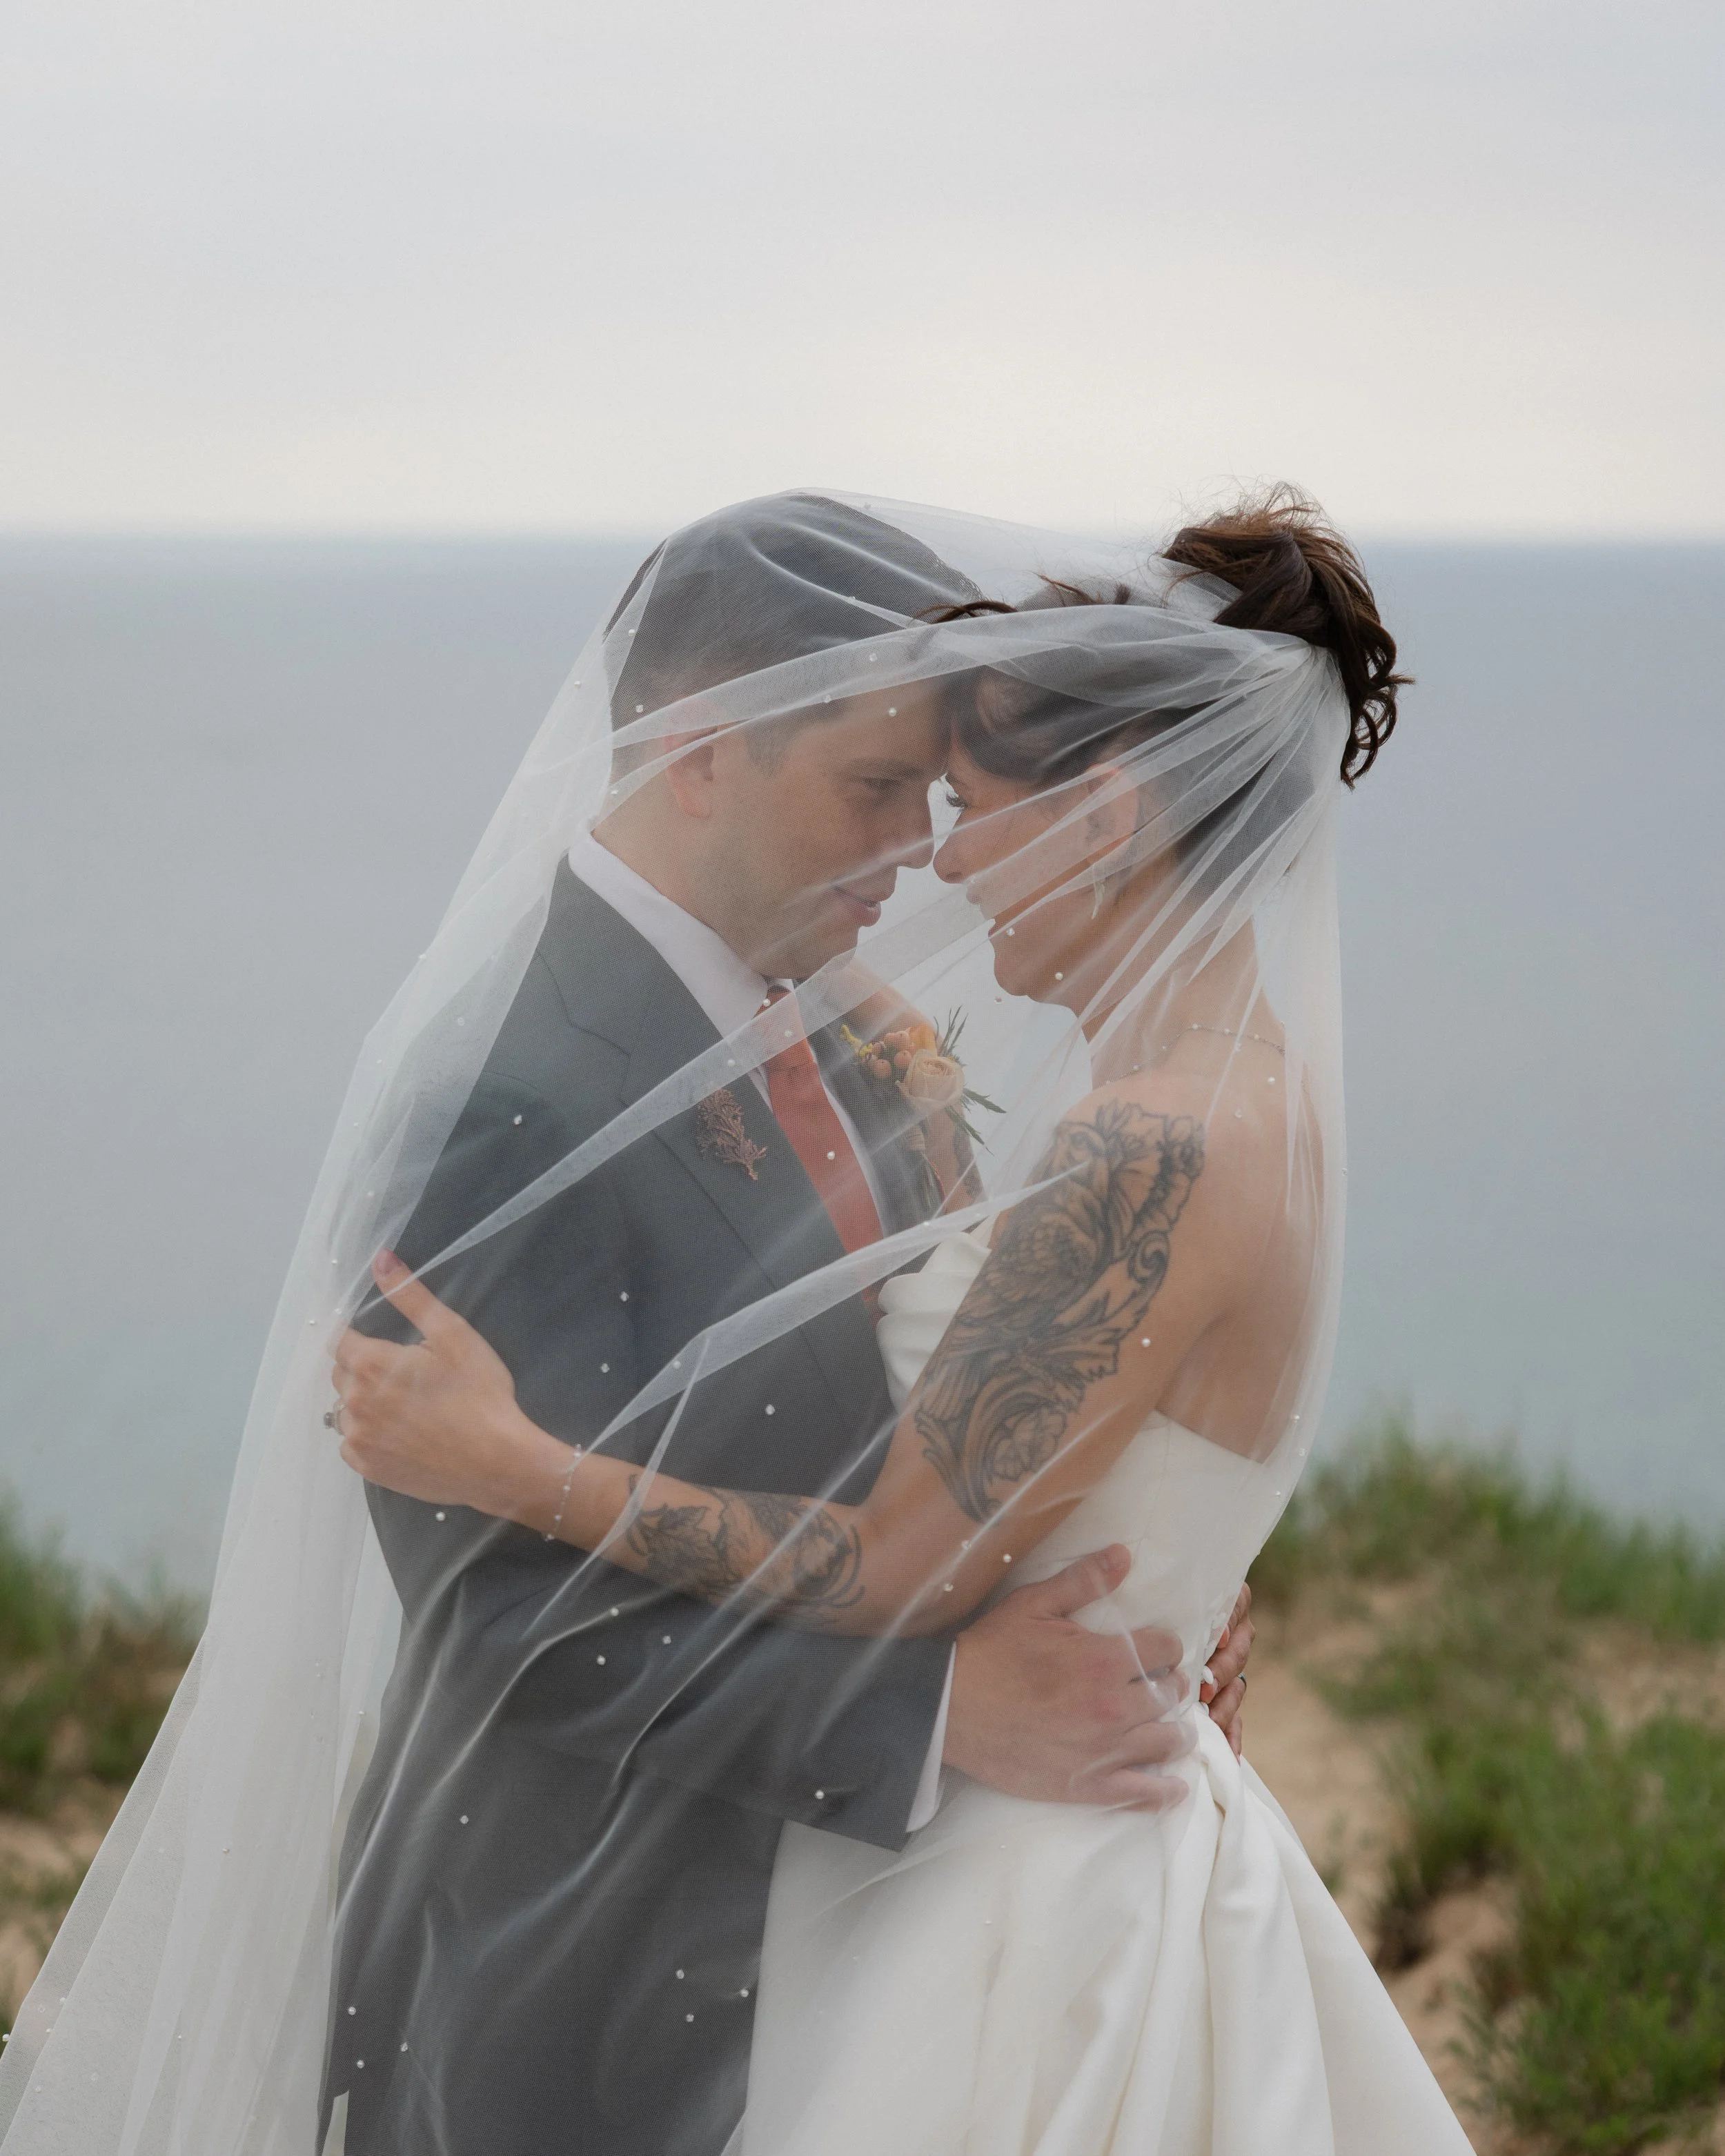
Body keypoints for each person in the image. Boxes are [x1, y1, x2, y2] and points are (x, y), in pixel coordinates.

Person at [335, 494, 1476, 2152]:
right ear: (703, 750)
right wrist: (971, 1684)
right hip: (588, 1967)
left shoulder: (1110, 1119)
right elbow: (493, 1610)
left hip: (995, 1907)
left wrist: (518, 1460)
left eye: (949, 801)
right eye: (881, 788)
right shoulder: (519, 1087)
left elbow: (915, 1528)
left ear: (1102, 820)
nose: (925, 854)